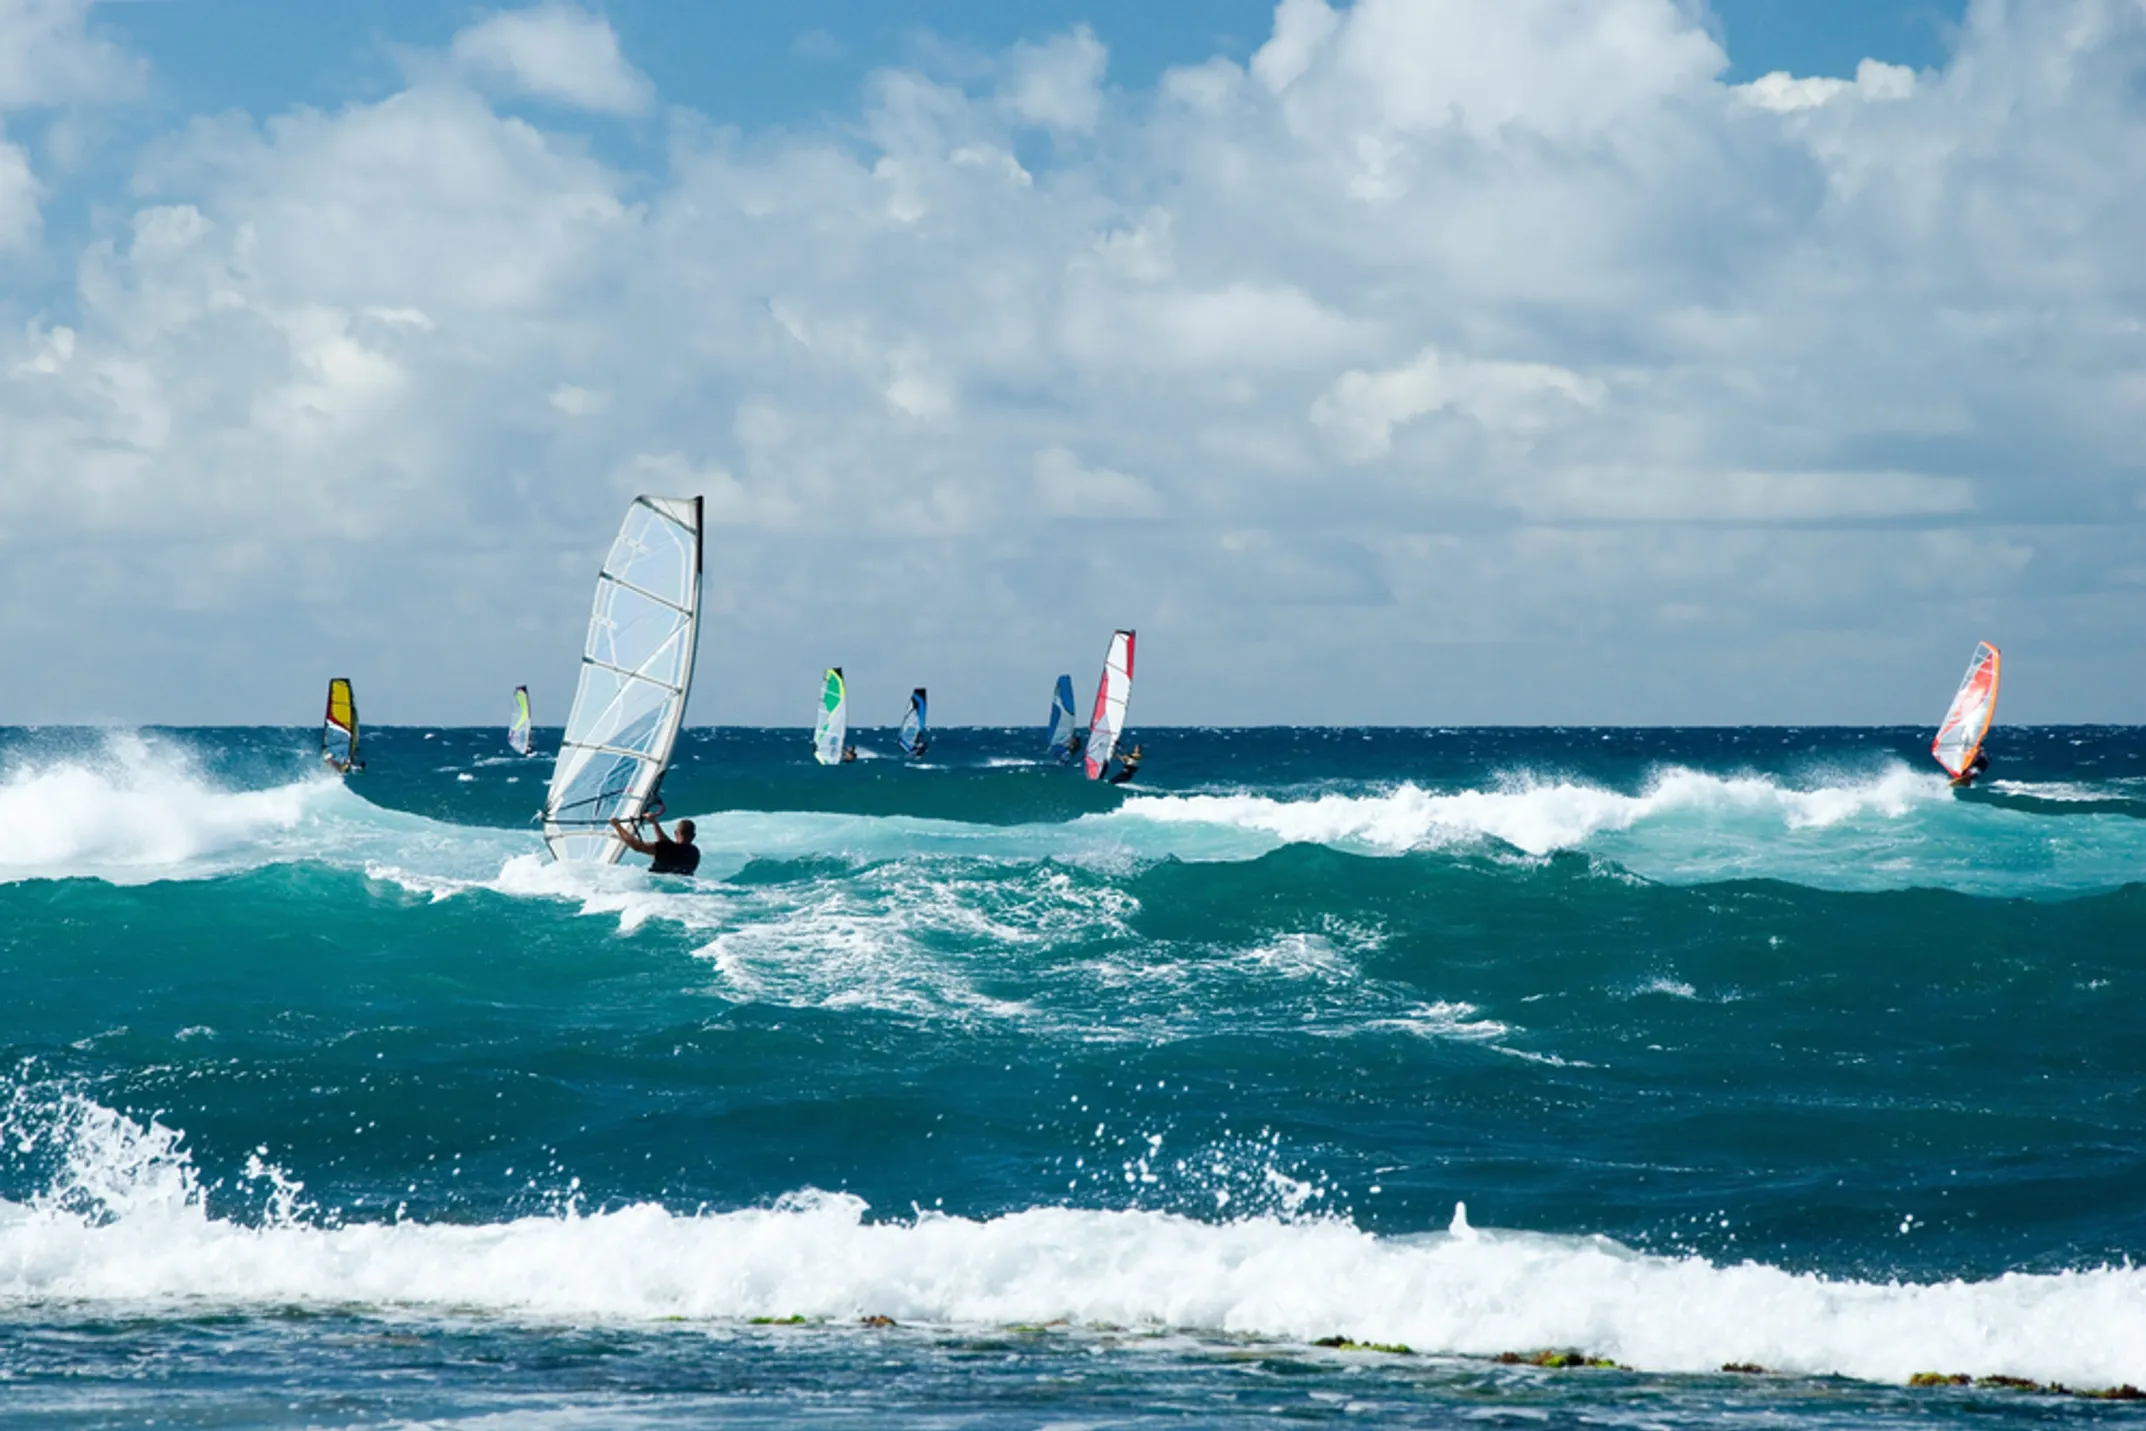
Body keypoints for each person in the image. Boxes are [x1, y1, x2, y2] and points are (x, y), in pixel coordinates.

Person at [610, 814, 701, 876]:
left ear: (676, 833)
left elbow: (636, 846)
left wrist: (617, 826)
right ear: (693, 836)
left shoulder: (666, 848)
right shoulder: (694, 852)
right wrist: (654, 823)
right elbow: (668, 845)